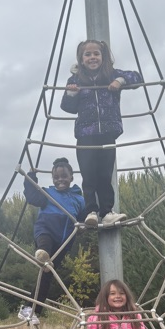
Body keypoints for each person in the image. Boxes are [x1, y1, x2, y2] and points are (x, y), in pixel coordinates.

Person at [60, 40, 142, 227]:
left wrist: (119, 81)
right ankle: (91, 211)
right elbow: (67, 107)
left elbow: (137, 77)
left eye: (96, 53)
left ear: (103, 57)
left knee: (105, 173)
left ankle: (107, 211)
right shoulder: (75, 79)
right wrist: (72, 93)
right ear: (81, 59)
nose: (92, 57)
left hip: (107, 131)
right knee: (88, 174)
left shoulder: (111, 74)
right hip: (85, 133)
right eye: (87, 55)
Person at [18, 157, 85, 323]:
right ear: (53, 179)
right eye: (56, 177)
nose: (60, 180)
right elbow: (32, 196)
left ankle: (30, 310)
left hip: (64, 241)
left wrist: (83, 227)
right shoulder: (48, 194)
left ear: (71, 177)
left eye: (64, 176)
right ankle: (42, 254)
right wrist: (31, 177)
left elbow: (83, 219)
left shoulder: (79, 199)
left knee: (47, 273)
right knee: (44, 252)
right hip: (46, 230)